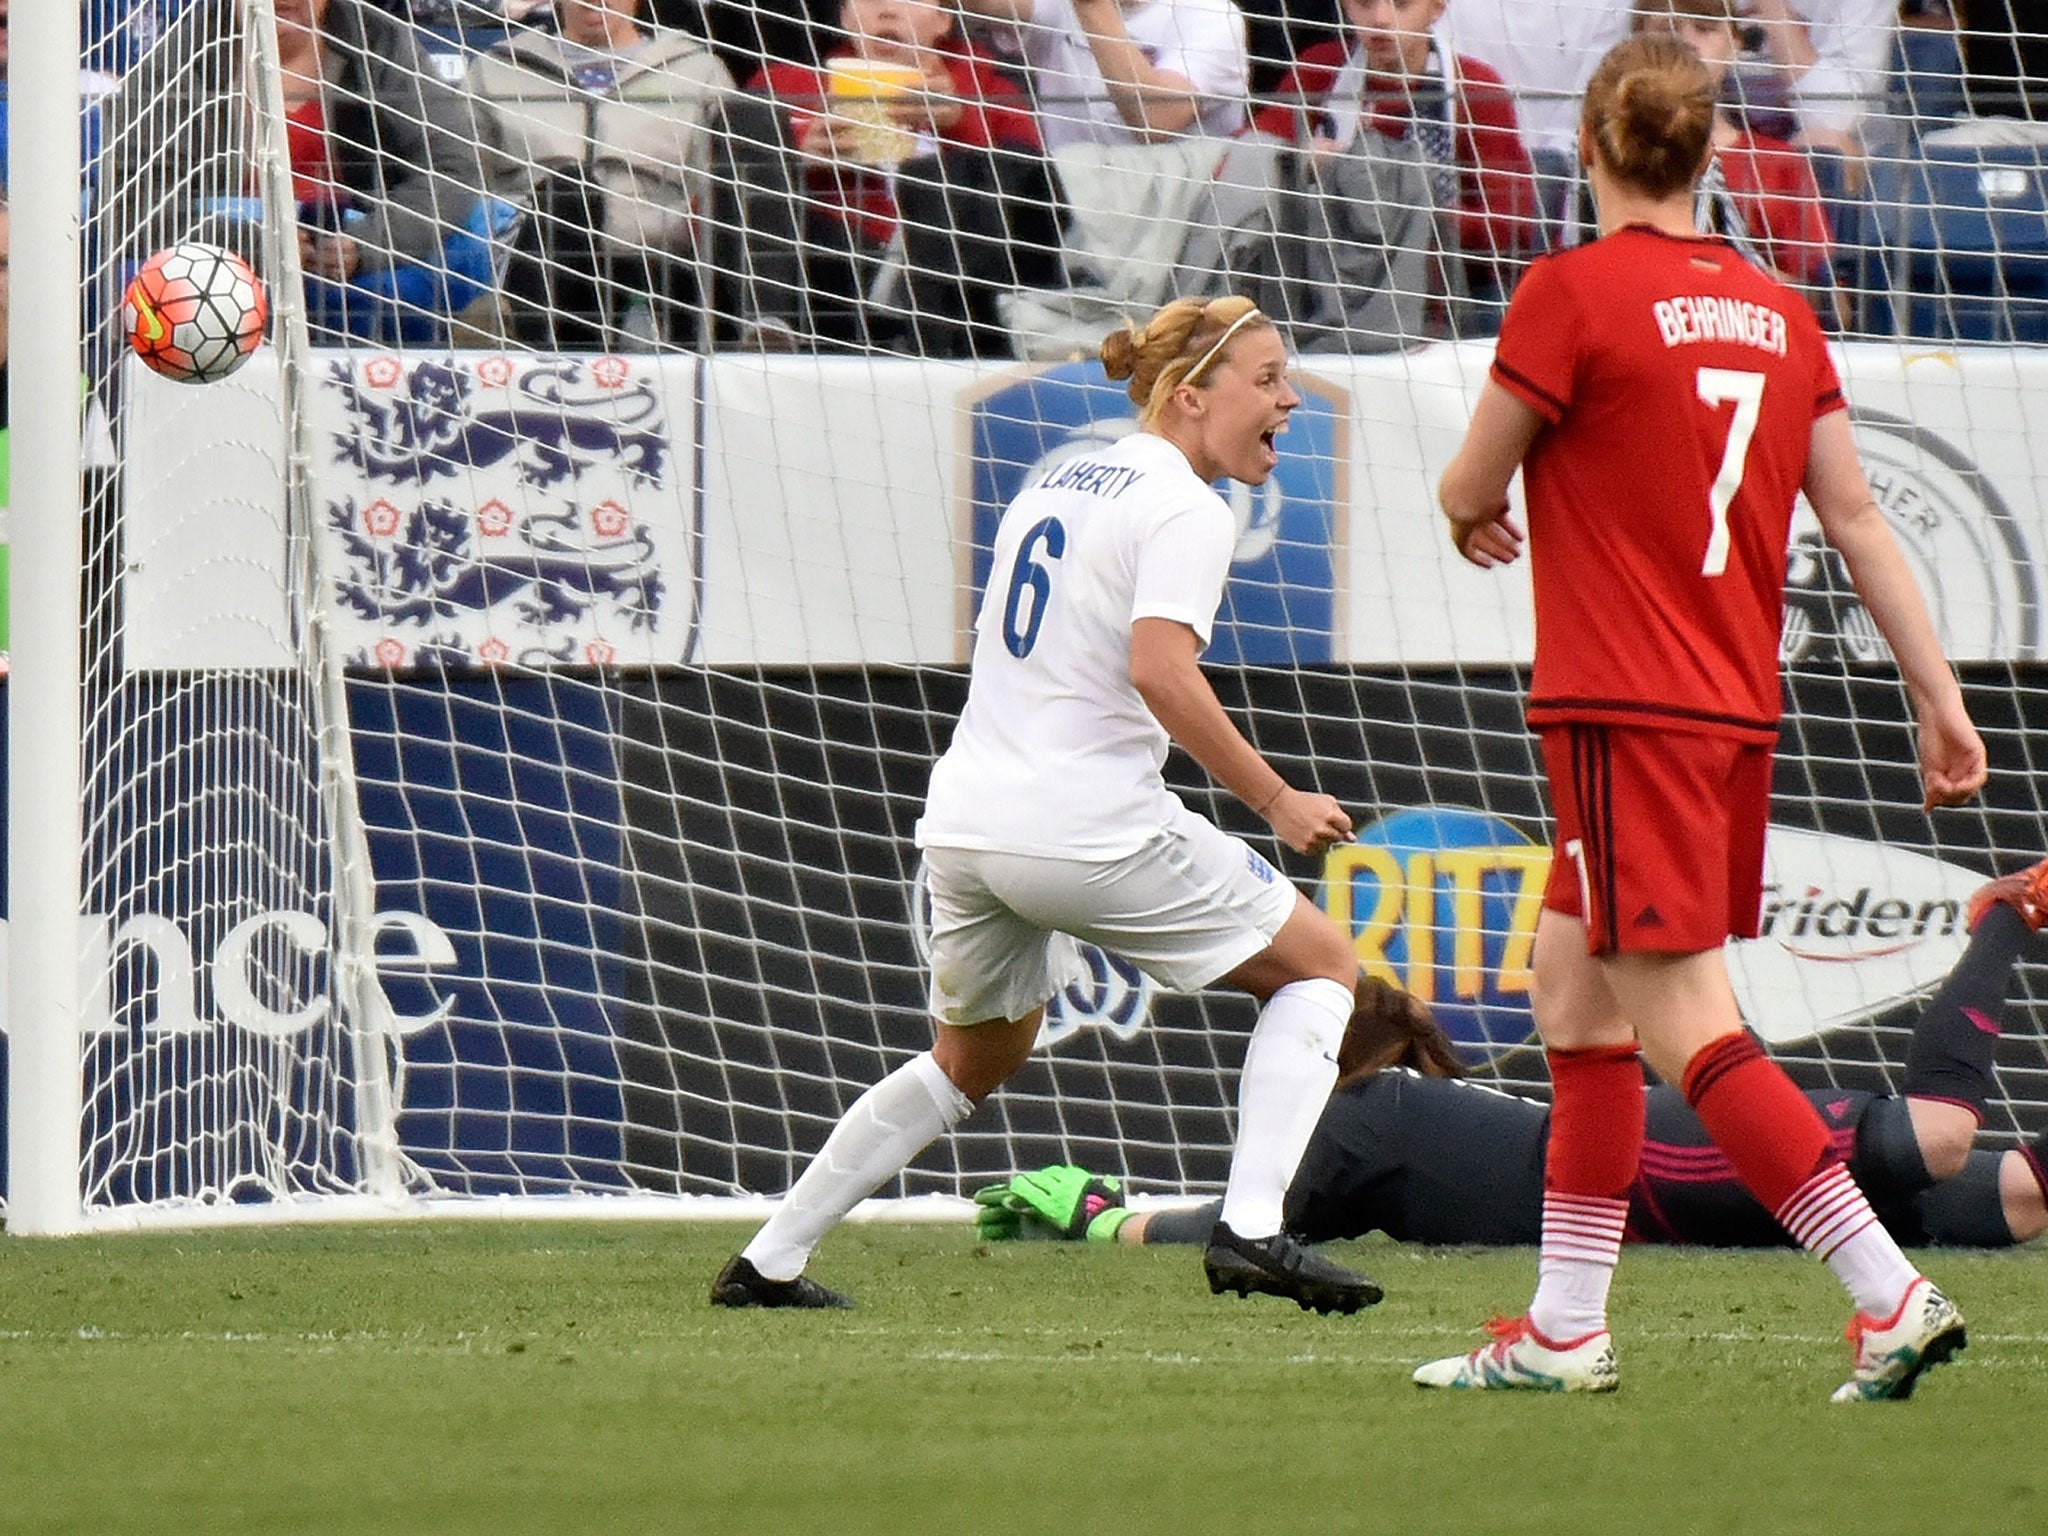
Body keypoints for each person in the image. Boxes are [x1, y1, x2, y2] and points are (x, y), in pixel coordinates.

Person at [1415, 33, 1988, 1402]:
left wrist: (1471, 507)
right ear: (1717, 150)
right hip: (1729, 709)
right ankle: (1563, 1330)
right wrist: (1939, 694)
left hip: (1624, 710)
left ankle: (1886, 1291)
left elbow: (1467, 477)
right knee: (1573, 991)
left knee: (1681, 1023)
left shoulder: (1571, 292)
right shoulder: (1781, 311)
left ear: (1596, 149)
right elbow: (1854, 518)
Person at [713, 295, 1380, 1314]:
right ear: (1191, 394)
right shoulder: (1187, 507)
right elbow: (1159, 669)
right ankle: (1251, 1231)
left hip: (968, 824)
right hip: (1087, 825)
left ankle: (768, 1261)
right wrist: (1276, 798)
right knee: (1321, 968)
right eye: (1266, 379)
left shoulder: (1069, 472)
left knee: (973, 1056)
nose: (1287, 398)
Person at [977, 859, 2048, 1253]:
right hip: (1650, 1175)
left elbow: (1241, 1229)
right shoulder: (1385, 1112)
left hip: (1650, 1176)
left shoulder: (1358, 1118)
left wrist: (1106, 1217)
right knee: (2017, 1201)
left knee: (1941, 1140)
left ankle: (2001, 912)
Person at [105, 0, 501, 346]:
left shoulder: (380, 42)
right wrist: (255, 244)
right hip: (226, 272)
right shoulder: (181, 55)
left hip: (359, 268)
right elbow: (128, 198)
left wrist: (366, 245)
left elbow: (453, 167)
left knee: (472, 232)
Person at [747, 0, 1064, 356]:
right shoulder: (782, 86)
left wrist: (959, 124)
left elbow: (1034, 192)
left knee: (959, 179)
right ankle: (768, 323)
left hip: (952, 279)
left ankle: (938, 346)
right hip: (830, 270)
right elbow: (711, 210)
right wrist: (794, 160)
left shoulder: (990, 90)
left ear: (942, 19)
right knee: (746, 125)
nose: (886, 11)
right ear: (845, 19)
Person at [469, 0, 735, 350]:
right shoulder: (496, 67)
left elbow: (726, 189)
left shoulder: (699, 71)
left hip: (660, 263)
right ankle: (528, 350)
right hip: (538, 260)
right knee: (567, 189)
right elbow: (461, 178)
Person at [1251, 0, 1540, 306]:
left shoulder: (1477, 89)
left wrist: (1403, 211)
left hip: (1444, 300)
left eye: (1401, 4)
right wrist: (1301, 158)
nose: (1381, 20)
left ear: (1437, 7)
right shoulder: (1318, 69)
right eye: (1365, 4)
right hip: (1319, 287)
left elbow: (1511, 229)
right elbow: (1245, 158)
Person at [1635, 0, 1839, 321]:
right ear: (1637, 48)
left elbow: (1834, 308)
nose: (1687, 43)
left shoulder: (1778, 163)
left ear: (1736, 43)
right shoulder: (1617, 160)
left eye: (1705, 29)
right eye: (1667, 30)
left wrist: (1737, 275)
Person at [958, 0, 1250, 150]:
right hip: (1075, 223)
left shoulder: (1213, 16)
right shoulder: (1057, 7)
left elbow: (1154, 120)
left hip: (1187, 230)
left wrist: (1091, 6)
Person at [1744, 0, 1897, 155]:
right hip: (1731, 138)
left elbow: (1833, 118)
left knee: (1825, 144)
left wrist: (1772, 8)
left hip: (1822, 151)